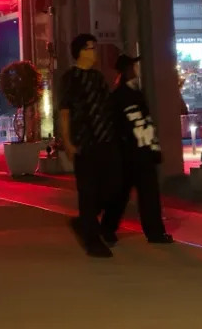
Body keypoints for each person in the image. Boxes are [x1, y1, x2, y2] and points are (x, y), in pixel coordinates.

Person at [99, 55, 174, 245]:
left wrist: (153, 147)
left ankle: (154, 232)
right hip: (128, 154)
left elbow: (146, 124)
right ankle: (108, 228)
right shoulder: (120, 96)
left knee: (147, 194)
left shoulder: (135, 93)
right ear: (127, 70)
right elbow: (116, 127)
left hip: (141, 152)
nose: (138, 69)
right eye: (135, 66)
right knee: (122, 195)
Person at [56, 33, 118, 257]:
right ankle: (92, 240)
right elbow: (64, 112)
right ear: (80, 51)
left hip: (105, 141)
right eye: (91, 48)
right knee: (88, 191)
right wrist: (68, 142)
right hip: (84, 142)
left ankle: (85, 222)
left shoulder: (98, 78)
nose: (95, 52)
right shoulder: (70, 78)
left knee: (111, 188)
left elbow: (107, 108)